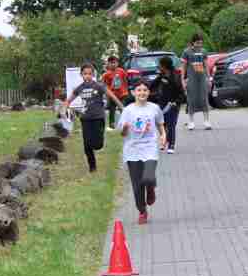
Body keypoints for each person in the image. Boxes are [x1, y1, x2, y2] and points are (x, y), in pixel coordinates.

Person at [119, 81, 166, 224]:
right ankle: (142, 211)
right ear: (133, 92)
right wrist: (125, 128)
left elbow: (160, 123)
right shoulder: (128, 110)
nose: (142, 93)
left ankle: (151, 188)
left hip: (150, 147)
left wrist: (163, 135)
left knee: (149, 177)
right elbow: (122, 133)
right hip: (132, 149)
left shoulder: (154, 108)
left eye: (145, 90)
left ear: (149, 92)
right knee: (137, 184)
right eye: (138, 90)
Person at [64, 63, 122, 173]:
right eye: (85, 74)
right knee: (87, 145)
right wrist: (63, 109)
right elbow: (69, 100)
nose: (87, 76)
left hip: (98, 117)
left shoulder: (99, 86)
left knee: (98, 145)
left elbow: (112, 95)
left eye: (89, 74)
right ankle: (92, 167)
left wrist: (121, 107)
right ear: (81, 75)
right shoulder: (79, 88)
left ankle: (100, 142)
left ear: (93, 74)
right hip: (85, 118)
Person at [150, 56, 185, 154]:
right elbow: (152, 85)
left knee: (171, 125)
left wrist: (176, 102)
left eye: (160, 65)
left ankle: (171, 145)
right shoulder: (161, 75)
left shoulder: (175, 77)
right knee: (162, 124)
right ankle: (164, 140)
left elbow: (181, 93)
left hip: (173, 105)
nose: (158, 66)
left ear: (164, 66)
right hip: (162, 104)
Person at [180, 33, 212, 131]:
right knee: (191, 99)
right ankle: (191, 122)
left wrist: (209, 78)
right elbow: (183, 67)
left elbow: (206, 65)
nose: (199, 45)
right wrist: (182, 79)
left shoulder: (204, 51)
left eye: (201, 43)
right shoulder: (186, 52)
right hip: (191, 78)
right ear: (193, 42)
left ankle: (206, 121)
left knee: (204, 98)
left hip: (202, 78)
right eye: (197, 43)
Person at [101, 55, 129, 128]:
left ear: (117, 63)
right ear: (108, 64)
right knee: (112, 110)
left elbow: (125, 80)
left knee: (122, 109)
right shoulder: (106, 74)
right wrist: (107, 95)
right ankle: (112, 124)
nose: (113, 64)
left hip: (122, 94)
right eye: (111, 63)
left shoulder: (121, 71)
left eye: (114, 62)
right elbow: (104, 85)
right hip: (112, 96)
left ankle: (125, 123)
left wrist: (125, 90)